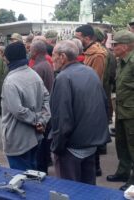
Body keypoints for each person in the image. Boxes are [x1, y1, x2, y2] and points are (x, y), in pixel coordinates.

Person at [49, 40, 110, 185]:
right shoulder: (90, 72)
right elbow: (103, 104)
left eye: (53, 55)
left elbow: (62, 119)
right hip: (91, 144)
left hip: (72, 147)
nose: (52, 59)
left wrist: (57, 147)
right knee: (88, 189)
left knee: (69, 191)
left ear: (62, 57)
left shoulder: (63, 78)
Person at [1, 41, 50, 170]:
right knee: (33, 174)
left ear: (8, 58)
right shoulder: (34, 75)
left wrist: (36, 120)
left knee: (21, 180)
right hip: (35, 137)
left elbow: (18, 111)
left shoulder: (10, 81)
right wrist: (41, 120)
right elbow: (47, 98)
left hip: (18, 139)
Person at [106, 30, 134, 191]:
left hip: (132, 113)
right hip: (123, 111)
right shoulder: (121, 61)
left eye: (115, 44)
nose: (112, 47)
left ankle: (132, 182)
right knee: (121, 145)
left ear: (124, 46)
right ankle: (123, 172)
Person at [30, 40, 54, 173]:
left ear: (35, 51)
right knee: (45, 143)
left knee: (41, 144)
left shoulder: (38, 68)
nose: (29, 52)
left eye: (30, 49)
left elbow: (35, 92)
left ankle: (41, 170)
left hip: (42, 109)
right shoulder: (46, 64)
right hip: (47, 107)